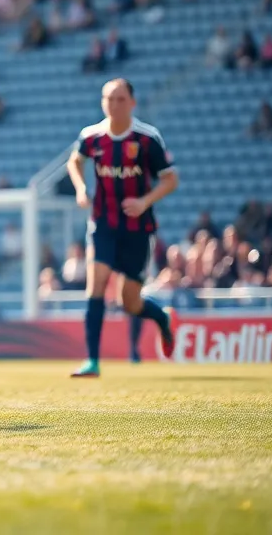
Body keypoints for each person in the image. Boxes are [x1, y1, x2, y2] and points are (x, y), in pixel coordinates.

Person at [66, 79, 179, 378]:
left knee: (130, 302)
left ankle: (163, 320)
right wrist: (80, 189)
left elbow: (170, 179)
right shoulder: (91, 137)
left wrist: (144, 201)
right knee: (97, 283)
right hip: (102, 222)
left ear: (132, 102)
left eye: (119, 99)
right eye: (108, 98)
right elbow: (74, 162)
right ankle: (92, 361)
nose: (113, 104)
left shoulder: (147, 138)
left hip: (138, 228)